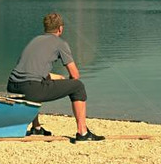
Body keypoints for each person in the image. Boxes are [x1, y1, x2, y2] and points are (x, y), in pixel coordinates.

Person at [7, 12, 105, 142]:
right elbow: (75, 75)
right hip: (31, 88)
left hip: (13, 85)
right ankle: (82, 132)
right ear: (60, 28)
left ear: (45, 28)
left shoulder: (35, 40)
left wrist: (57, 78)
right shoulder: (60, 43)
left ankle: (36, 128)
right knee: (78, 86)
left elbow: (31, 71)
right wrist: (69, 84)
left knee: (40, 83)